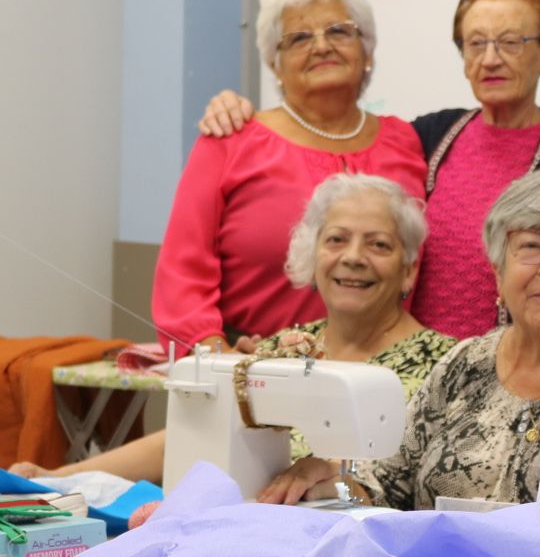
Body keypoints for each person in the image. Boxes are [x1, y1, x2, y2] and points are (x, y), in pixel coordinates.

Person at [261, 167, 540, 509]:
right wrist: (333, 482)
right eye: (531, 245)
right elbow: (385, 486)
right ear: (498, 270)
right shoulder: (463, 365)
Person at [195, 0, 540, 339]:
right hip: (413, 369)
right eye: (476, 43)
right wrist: (228, 104)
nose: (491, 59)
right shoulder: (430, 136)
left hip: (514, 368)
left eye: (510, 42)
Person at [14, 174, 454, 486]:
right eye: (336, 239)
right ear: (313, 255)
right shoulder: (285, 349)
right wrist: (57, 478)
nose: (353, 257)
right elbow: (187, 442)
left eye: (378, 244)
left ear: (409, 270)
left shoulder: (449, 368)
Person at [154, 0, 426, 353]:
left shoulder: (407, 142)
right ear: (275, 65)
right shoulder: (231, 140)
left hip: (384, 378)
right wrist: (218, 359)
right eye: (299, 38)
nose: (321, 46)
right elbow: (182, 275)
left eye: (339, 31)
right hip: (251, 373)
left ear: (368, 52)